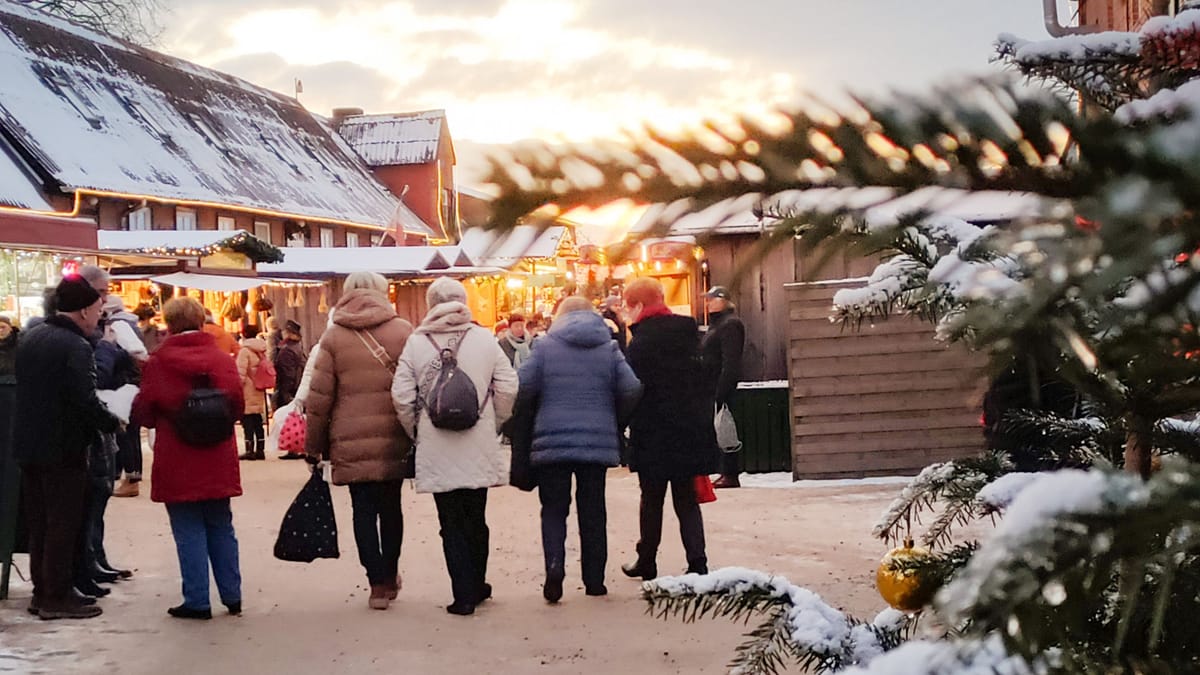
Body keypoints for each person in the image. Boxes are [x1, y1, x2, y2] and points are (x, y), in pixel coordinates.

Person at [392, 278, 518, 616]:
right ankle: (478, 584)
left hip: (436, 443)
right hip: (477, 438)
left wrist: (417, 430)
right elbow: (507, 386)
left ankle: (462, 594)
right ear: (463, 301)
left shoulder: (417, 343)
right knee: (477, 516)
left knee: (450, 521)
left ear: (431, 303)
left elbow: (402, 395)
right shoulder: (484, 339)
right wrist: (494, 422)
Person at [514, 297, 642, 603]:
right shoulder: (608, 348)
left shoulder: (544, 347)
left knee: (554, 509)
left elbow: (523, 386)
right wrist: (615, 418)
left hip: (551, 443)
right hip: (596, 445)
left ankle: (555, 566)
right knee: (593, 510)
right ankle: (594, 579)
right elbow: (632, 387)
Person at [305, 272, 414, 610]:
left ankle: (376, 583)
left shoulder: (334, 337)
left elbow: (319, 398)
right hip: (393, 435)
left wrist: (314, 446)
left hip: (349, 438)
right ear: (384, 292)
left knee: (362, 511)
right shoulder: (403, 331)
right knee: (391, 508)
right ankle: (391, 571)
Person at [131, 297, 244, 620]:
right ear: (200, 320)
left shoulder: (158, 362)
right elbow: (236, 403)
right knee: (221, 524)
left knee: (187, 526)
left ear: (169, 323)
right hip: (217, 452)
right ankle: (232, 595)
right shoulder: (221, 359)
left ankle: (197, 599)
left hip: (177, 453)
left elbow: (145, 411)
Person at [14, 276, 120, 620]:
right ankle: (56, 596)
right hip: (63, 446)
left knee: (40, 521)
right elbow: (83, 399)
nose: (100, 315)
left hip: (29, 444)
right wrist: (111, 420)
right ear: (86, 309)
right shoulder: (75, 345)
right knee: (63, 522)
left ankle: (41, 590)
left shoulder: (32, 336)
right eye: (99, 308)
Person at [619, 277, 720, 581]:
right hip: (689, 430)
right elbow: (706, 378)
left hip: (653, 432)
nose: (626, 312)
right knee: (686, 499)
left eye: (627, 305)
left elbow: (631, 389)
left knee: (651, 499)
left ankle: (647, 560)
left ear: (638, 305)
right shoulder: (690, 335)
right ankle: (698, 562)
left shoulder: (641, 344)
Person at [101, 295, 149, 499]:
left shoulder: (117, 326)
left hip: (123, 385)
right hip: (133, 383)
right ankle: (130, 475)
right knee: (131, 433)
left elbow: (132, 354)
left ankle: (130, 478)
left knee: (124, 433)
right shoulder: (130, 324)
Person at [701, 286, 746, 489]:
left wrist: (722, 389)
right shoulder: (716, 325)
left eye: (711, 299)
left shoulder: (730, 325)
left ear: (723, 301)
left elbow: (730, 361)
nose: (707, 302)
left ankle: (730, 472)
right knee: (720, 428)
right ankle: (724, 470)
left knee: (727, 428)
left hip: (722, 386)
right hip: (711, 385)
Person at [235, 334, 271, 461]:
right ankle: (260, 450)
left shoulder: (245, 351)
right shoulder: (261, 350)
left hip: (247, 389)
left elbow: (241, 372)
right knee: (257, 420)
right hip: (259, 386)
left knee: (247, 420)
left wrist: (237, 387)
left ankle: (249, 450)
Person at [273, 320, 307, 411]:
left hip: (289, 391)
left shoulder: (287, 350)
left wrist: (286, 395)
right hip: (296, 387)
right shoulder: (297, 346)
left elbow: (288, 374)